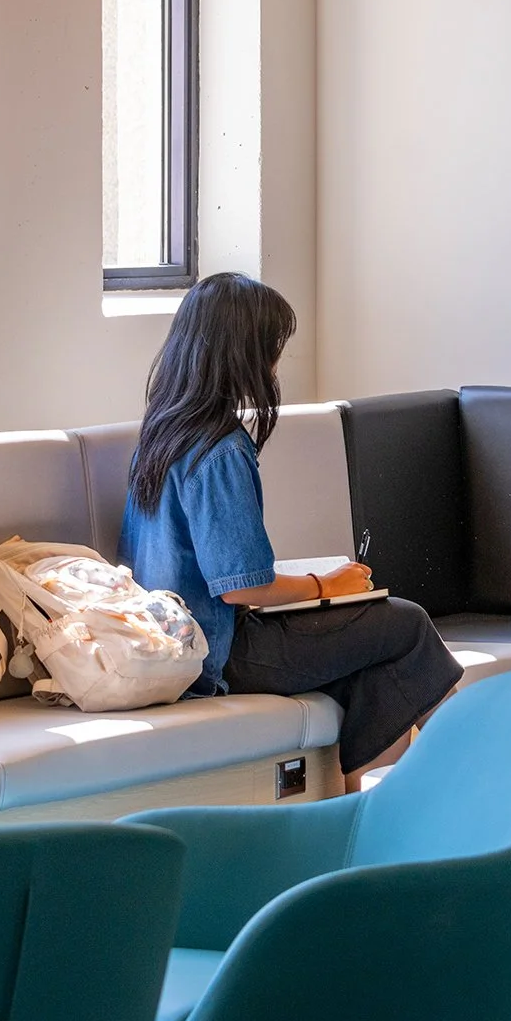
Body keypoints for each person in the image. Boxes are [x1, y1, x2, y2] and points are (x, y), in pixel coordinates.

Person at [119, 271, 462, 795]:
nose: (277, 361)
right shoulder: (221, 447)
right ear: (246, 352)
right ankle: (479, 773)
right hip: (220, 654)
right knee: (405, 624)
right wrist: (327, 587)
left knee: (373, 661)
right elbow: (241, 587)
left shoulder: (162, 432)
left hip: (178, 643)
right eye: (273, 346)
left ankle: (366, 809)